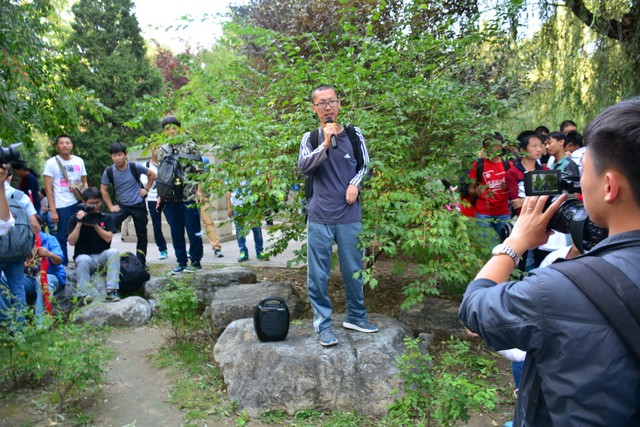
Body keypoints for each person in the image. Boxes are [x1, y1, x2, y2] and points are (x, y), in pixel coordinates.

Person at [459, 97, 640, 426]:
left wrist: (515, 243)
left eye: (585, 172)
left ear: (609, 186)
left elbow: (474, 309)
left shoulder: (556, 288)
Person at [298, 84, 378, 347]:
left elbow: (365, 165)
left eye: (331, 101)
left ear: (339, 104)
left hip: (349, 215)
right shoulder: (310, 138)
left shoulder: (354, 134)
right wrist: (325, 143)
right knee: (318, 274)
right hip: (319, 215)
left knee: (354, 270)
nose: (327, 107)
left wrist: (355, 184)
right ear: (314, 109)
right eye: (321, 103)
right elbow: (305, 167)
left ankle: (356, 316)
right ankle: (323, 325)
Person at [157, 116, 204, 274]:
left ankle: (196, 261)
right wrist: (160, 196)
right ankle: (181, 261)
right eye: (167, 128)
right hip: (170, 197)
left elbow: (200, 171)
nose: (171, 131)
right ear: (164, 131)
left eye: (174, 127)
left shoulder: (190, 145)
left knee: (193, 230)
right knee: (176, 232)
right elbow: (162, 175)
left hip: (188, 195)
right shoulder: (163, 149)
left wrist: (199, 191)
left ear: (179, 128)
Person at [100, 142, 156, 265]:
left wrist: (146, 189)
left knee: (141, 234)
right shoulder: (109, 171)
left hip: (138, 204)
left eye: (120, 155)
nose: (117, 158)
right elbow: (103, 189)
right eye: (114, 155)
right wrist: (110, 206)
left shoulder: (134, 166)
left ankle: (141, 262)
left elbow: (152, 175)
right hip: (122, 206)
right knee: (107, 228)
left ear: (125, 155)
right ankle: (104, 260)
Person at [0, 215, 66, 318]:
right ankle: (7, 318)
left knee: (41, 280)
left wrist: (49, 254)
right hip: (29, 278)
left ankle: (41, 323)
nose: (30, 228)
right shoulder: (22, 241)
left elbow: (60, 261)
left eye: (33, 225)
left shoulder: (50, 239)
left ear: (39, 226)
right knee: (3, 278)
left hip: (50, 276)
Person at [67, 187, 120, 304]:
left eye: (97, 203)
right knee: (83, 259)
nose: (95, 206)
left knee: (114, 252)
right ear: (84, 202)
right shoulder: (75, 218)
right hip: (84, 257)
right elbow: (71, 242)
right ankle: (84, 295)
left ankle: (112, 291)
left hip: (101, 256)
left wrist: (95, 226)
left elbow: (108, 238)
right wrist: (79, 223)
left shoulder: (105, 217)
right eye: (91, 203)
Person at [43, 134, 88, 265]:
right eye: (61, 143)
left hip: (78, 202)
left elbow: (84, 182)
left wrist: (86, 199)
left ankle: (81, 261)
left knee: (82, 233)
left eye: (67, 143)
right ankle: (63, 266)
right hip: (62, 205)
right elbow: (48, 188)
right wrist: (53, 211)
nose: (65, 145)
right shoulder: (51, 163)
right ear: (57, 146)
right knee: (62, 236)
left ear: (71, 146)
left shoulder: (79, 161)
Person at [468, 133, 512, 238]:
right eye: (489, 145)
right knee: (486, 243)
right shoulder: (477, 164)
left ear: (501, 146)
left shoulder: (508, 164)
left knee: (507, 242)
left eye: (496, 145)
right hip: (483, 211)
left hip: (503, 211)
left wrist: (508, 187)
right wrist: (476, 191)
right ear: (484, 147)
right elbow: (470, 190)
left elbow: (515, 190)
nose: (493, 148)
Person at [226, 181, 266, 262]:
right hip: (237, 205)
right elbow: (228, 192)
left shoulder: (252, 173)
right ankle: (243, 252)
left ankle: (260, 251)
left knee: (256, 228)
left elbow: (258, 187)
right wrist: (229, 207)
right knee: (239, 229)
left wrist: (259, 204)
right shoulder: (230, 175)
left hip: (252, 204)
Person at [140, 148, 168, 260]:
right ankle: (162, 249)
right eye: (155, 148)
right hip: (152, 198)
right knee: (157, 225)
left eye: (159, 148)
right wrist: (154, 178)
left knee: (174, 223)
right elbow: (144, 182)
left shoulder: (166, 163)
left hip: (166, 197)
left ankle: (181, 248)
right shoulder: (146, 165)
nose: (157, 150)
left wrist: (155, 177)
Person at [199, 156, 224, 258]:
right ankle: (196, 248)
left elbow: (206, 177)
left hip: (203, 195)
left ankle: (216, 247)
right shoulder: (184, 159)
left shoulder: (204, 160)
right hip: (188, 196)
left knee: (208, 221)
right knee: (191, 224)